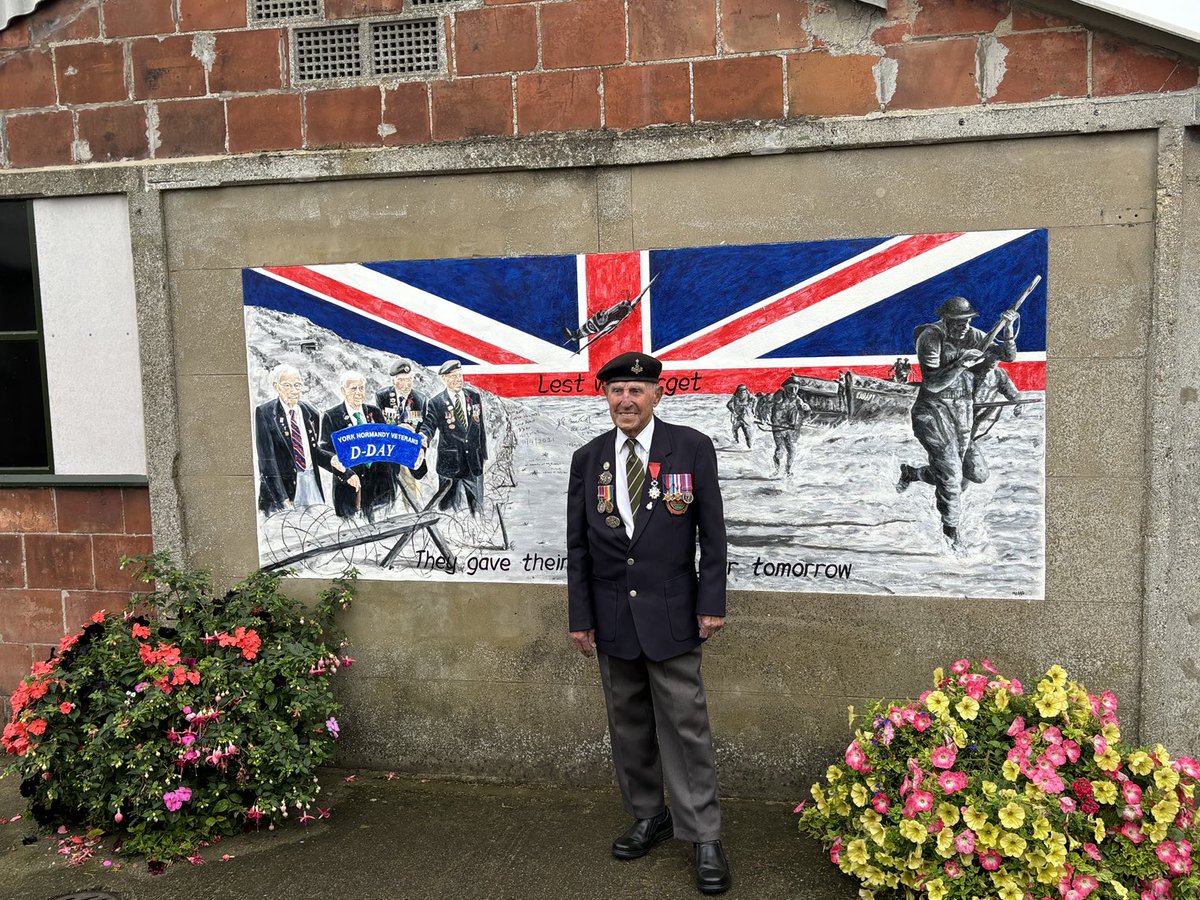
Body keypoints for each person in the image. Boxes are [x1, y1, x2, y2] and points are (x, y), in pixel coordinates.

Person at [566, 351, 731, 895]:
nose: (626, 400)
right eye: (616, 391)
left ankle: (704, 834)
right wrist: (581, 617)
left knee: (686, 726)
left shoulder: (691, 447)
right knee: (628, 724)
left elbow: (713, 533)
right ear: (605, 397)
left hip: (672, 612)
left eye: (636, 390)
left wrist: (711, 602)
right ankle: (648, 814)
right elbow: (578, 547)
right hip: (613, 614)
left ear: (657, 394)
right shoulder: (589, 458)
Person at [897, 297, 1018, 546]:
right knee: (951, 474)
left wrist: (1007, 328)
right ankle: (951, 537)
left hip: (962, 412)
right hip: (932, 411)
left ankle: (913, 473)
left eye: (967, 321)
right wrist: (961, 364)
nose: (963, 326)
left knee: (976, 474)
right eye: (958, 322)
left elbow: (1008, 356)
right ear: (945, 319)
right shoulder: (931, 337)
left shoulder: (974, 335)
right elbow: (932, 384)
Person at [254, 364, 333, 515]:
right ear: (276, 387)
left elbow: (313, 451)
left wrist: (333, 461)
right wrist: (282, 498)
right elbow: (267, 462)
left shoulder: (311, 412)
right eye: (287, 385)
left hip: (310, 483)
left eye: (297, 385)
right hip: (282, 488)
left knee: (317, 522)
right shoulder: (265, 413)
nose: (294, 390)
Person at [319, 370, 395, 521]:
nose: (359, 393)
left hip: (379, 489)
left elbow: (387, 444)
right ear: (343, 391)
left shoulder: (375, 412)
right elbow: (323, 452)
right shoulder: (331, 416)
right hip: (350, 489)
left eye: (361, 388)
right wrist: (345, 473)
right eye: (353, 388)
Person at [419, 360, 488, 516]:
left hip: (474, 463)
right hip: (450, 465)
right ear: (444, 378)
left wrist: (483, 454)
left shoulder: (473, 397)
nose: (458, 380)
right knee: (448, 511)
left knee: (477, 509)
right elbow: (429, 424)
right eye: (453, 376)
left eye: (460, 375)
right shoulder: (436, 402)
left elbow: (480, 427)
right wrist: (424, 436)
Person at [375, 359, 428, 504]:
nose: (407, 384)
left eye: (409, 379)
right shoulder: (382, 396)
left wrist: (422, 448)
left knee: (413, 499)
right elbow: (379, 425)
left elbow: (424, 427)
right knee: (385, 497)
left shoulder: (420, 399)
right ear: (393, 381)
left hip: (410, 453)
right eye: (402, 380)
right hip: (389, 452)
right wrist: (397, 429)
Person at [770, 376, 810, 476]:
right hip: (778, 428)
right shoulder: (779, 396)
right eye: (791, 388)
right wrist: (765, 418)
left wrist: (802, 421)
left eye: (796, 388)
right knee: (780, 450)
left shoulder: (797, 399)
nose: (793, 391)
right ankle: (777, 470)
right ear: (785, 388)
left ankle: (788, 470)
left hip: (791, 429)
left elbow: (807, 411)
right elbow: (767, 406)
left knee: (792, 451)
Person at [726, 384, 754, 448]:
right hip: (737, 417)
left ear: (746, 390)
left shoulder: (749, 396)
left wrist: (752, 409)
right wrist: (733, 411)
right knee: (734, 430)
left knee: (747, 433)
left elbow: (755, 400)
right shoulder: (735, 397)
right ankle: (736, 443)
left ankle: (749, 447)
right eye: (740, 390)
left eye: (743, 390)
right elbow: (728, 404)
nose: (742, 392)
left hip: (746, 418)